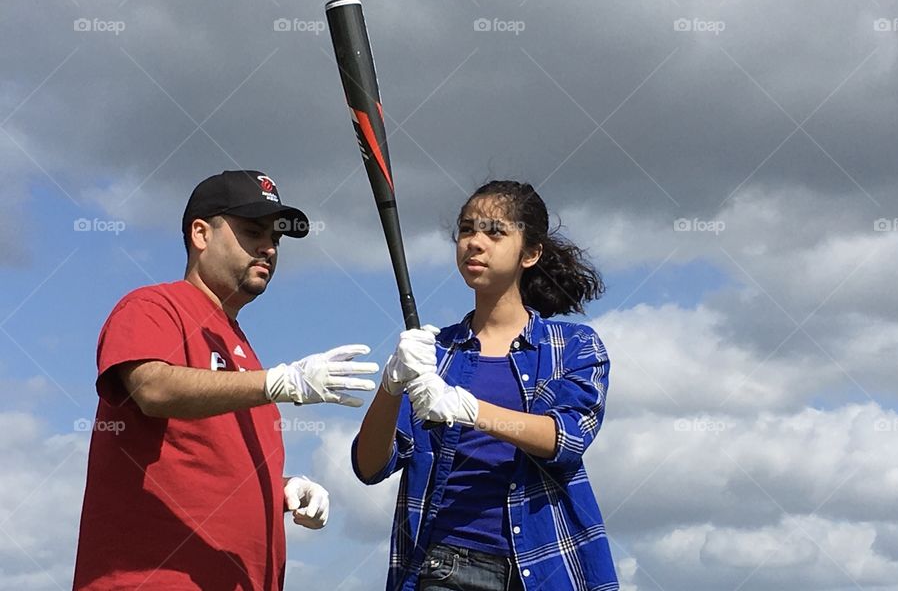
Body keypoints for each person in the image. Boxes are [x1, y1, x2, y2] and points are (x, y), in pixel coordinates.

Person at [73, 170, 379, 590]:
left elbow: (207, 468)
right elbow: (153, 389)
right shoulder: (153, 307)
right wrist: (276, 383)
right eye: (253, 231)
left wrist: (280, 490)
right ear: (201, 233)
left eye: (276, 239)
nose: (269, 248)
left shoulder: (243, 351)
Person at [353, 180, 619, 591]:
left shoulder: (573, 345)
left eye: (495, 232)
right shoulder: (433, 354)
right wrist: (391, 384)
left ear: (530, 253)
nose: (475, 242)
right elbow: (370, 466)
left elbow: (564, 440)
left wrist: (469, 409)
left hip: (550, 565)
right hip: (444, 565)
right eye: (466, 229)